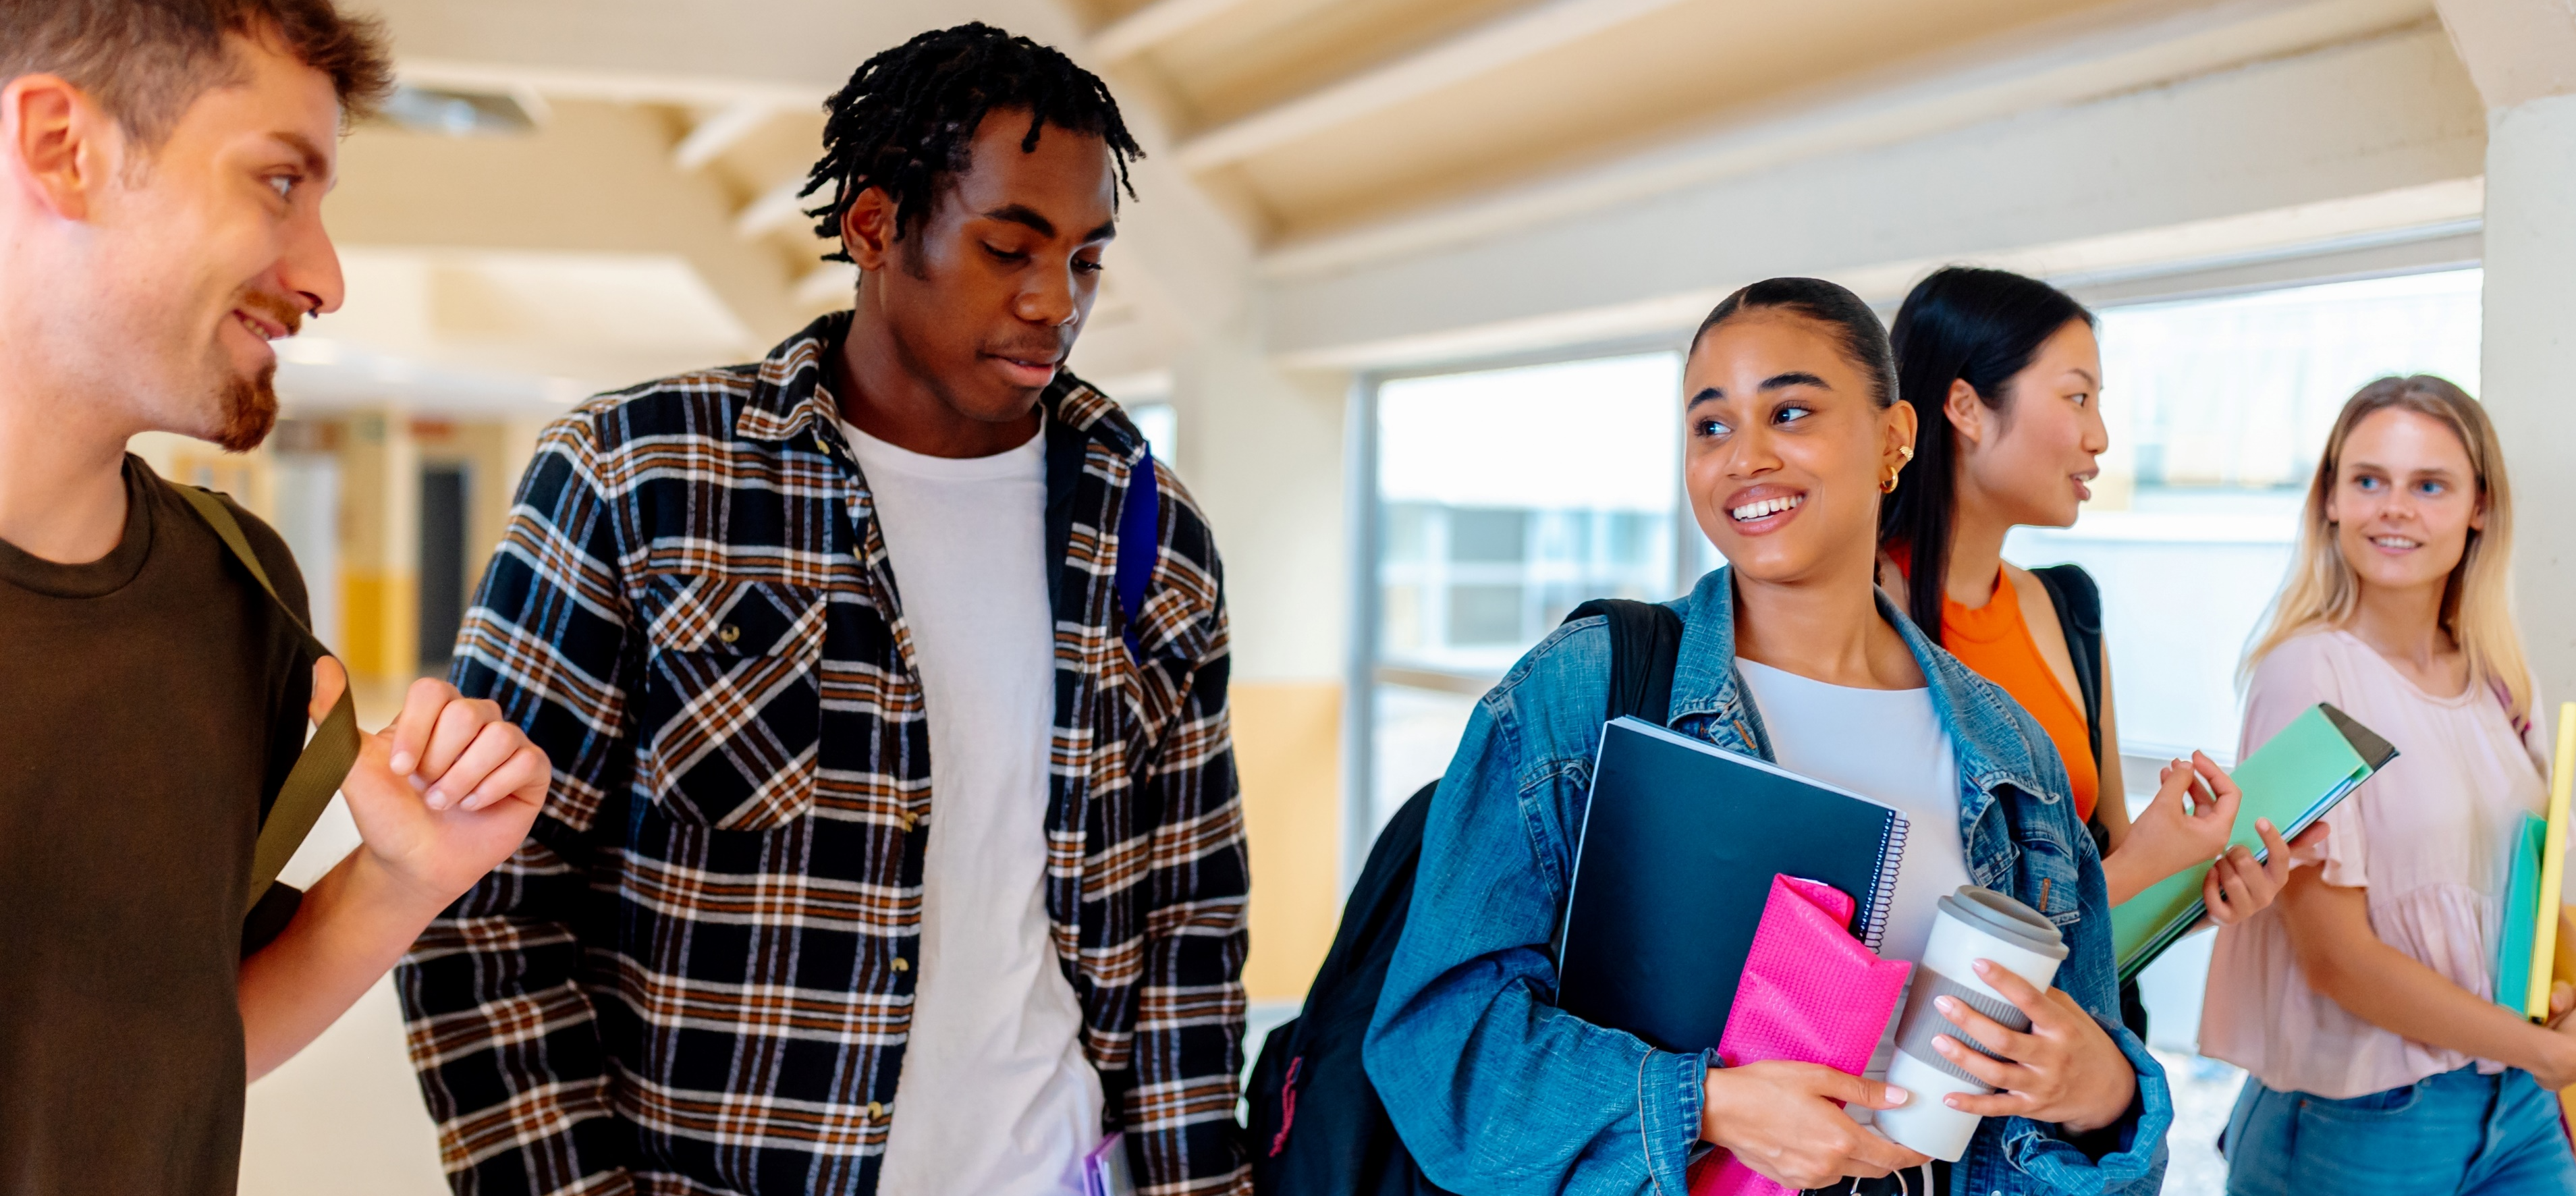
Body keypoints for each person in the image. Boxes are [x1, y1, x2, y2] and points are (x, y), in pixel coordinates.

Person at [395, 24, 1248, 1196]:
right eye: (1010, 246)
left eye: (1088, 259)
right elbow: (480, 900)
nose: (1056, 300)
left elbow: (1190, 931)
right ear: (875, 225)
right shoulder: (640, 476)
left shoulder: (1153, 538)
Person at [1364, 277, 2170, 1195]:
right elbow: (1444, 1051)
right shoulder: (1586, 690)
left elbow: (2081, 1095)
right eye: (1712, 427)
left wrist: (2104, 1092)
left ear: (1895, 439)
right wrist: (1708, 1105)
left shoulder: (2011, 753)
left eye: (1789, 411)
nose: (1745, 457)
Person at [0, 2, 554, 1193]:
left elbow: (155, 1060)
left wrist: (404, 877)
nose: (326, 276)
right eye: (277, 182)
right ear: (61, 148)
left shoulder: (239, 597)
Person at [1876, 265, 2313, 1026]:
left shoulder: (2066, 606)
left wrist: (2196, 889)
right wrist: (2144, 862)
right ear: (1965, 406)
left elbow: (2108, 874)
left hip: (2080, 1057)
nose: (2100, 437)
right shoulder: (1854, 612)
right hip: (1937, 1069)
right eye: (2077, 397)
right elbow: (1900, 923)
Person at [2203, 376, 2576, 1195]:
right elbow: (2336, 960)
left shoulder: (2493, 677)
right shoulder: (2306, 672)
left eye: (2429, 485)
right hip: (2360, 1118)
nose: (2395, 507)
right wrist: (2538, 1048)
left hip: (2510, 1105)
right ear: (2331, 502)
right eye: (2368, 480)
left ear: (2478, 508)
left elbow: (2528, 881)